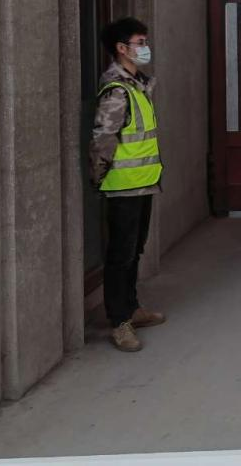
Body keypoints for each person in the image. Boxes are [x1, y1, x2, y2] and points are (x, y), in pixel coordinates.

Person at [90, 17, 166, 352]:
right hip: (122, 186)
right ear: (122, 48)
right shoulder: (117, 90)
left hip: (144, 183)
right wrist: (99, 176)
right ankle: (119, 321)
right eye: (140, 42)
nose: (145, 47)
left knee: (134, 250)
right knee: (120, 255)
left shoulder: (138, 86)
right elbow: (103, 139)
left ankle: (132, 308)